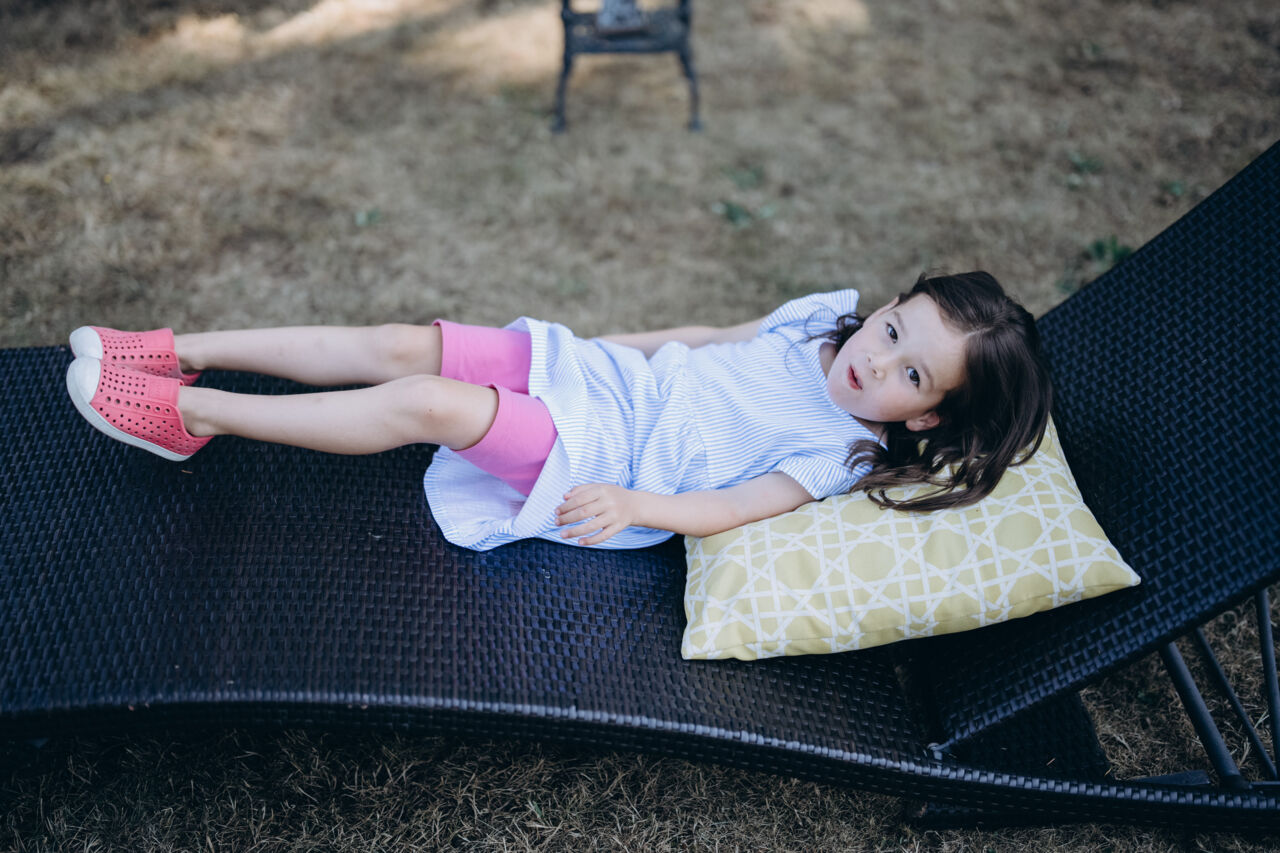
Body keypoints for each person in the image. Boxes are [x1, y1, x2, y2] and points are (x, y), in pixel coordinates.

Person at [64, 271, 1052, 551]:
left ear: (927, 418)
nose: (877, 359)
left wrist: (634, 505)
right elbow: (709, 336)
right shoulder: (815, 322)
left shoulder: (838, 447)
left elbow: (734, 506)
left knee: (426, 401)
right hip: (603, 379)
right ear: (885, 304)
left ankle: (194, 414)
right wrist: (594, 348)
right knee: (408, 342)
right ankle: (182, 347)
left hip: (608, 449)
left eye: (910, 375)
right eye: (892, 328)